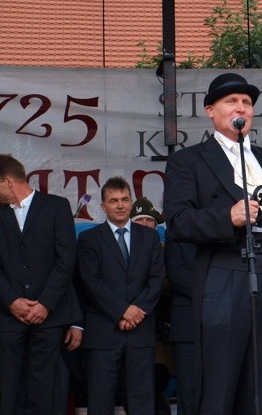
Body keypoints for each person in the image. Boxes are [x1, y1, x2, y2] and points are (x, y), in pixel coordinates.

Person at [162, 72, 262, 415]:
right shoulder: (189, 160)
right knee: (220, 379)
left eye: (247, 103)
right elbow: (177, 221)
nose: (242, 108)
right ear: (210, 111)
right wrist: (227, 217)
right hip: (224, 272)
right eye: (231, 101)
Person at [0, 153, 82, 415]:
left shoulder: (56, 206)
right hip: (8, 315)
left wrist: (45, 303)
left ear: (8, 181)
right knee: (7, 386)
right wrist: (11, 300)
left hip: (49, 315)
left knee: (44, 388)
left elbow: (66, 260)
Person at [77, 176, 165, 415]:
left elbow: (157, 279)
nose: (120, 205)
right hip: (104, 332)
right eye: (113, 200)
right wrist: (122, 311)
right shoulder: (89, 239)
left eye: (125, 199)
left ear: (131, 201)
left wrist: (137, 312)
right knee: (100, 400)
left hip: (141, 329)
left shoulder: (150, 237)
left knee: (142, 401)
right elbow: (90, 282)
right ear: (103, 206)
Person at [130, 197, 173, 415]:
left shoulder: (167, 252)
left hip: (159, 337)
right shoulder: (122, 251)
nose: (145, 225)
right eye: (139, 221)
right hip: (128, 331)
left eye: (149, 221)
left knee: (156, 385)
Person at [164, 239, 198, 415]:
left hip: (223, 322)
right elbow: (175, 273)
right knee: (188, 389)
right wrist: (211, 289)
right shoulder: (177, 237)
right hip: (187, 325)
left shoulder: (224, 233)